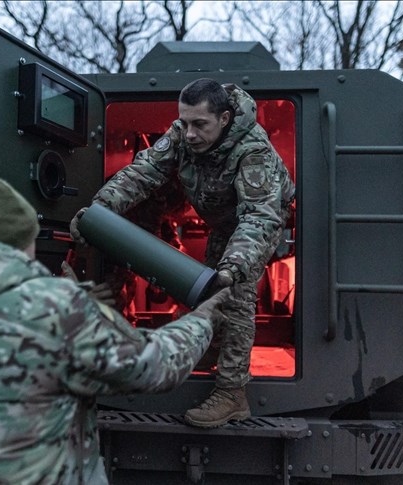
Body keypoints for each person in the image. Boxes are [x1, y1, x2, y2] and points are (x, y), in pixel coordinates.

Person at [0, 169, 230, 484]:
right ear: (13, 244)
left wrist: (73, 302)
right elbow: (153, 366)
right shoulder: (54, 310)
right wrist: (201, 319)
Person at [70, 78, 295, 428]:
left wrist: (234, 268)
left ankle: (232, 393)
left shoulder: (254, 153)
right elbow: (143, 172)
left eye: (199, 124)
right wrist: (99, 211)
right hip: (222, 220)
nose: (188, 133)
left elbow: (258, 217)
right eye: (185, 122)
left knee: (234, 290)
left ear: (224, 118)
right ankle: (210, 348)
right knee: (207, 288)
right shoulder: (181, 133)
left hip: (260, 216)